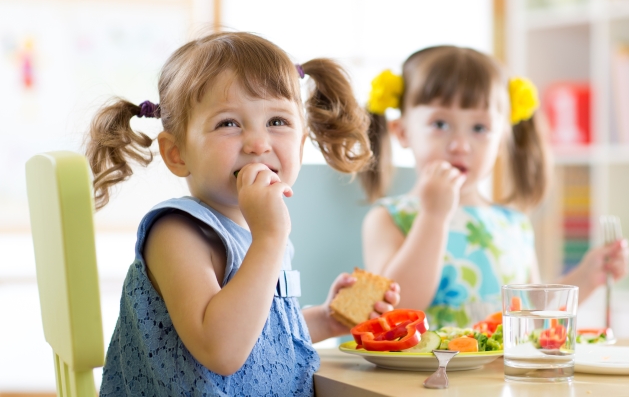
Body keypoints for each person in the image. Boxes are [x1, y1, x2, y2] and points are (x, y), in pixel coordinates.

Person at [86, 32, 400, 395]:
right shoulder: (176, 232)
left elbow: (262, 340)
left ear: (300, 142)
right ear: (177, 153)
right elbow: (222, 350)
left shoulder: (262, 232)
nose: (258, 143)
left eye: (278, 121)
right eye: (228, 123)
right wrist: (269, 238)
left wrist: (327, 319)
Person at [359, 45, 629, 330]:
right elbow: (394, 315)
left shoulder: (513, 224)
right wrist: (433, 217)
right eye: (439, 123)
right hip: (426, 375)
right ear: (403, 132)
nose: (460, 145)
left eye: (479, 128)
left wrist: (587, 277)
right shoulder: (389, 218)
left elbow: (531, 314)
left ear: (501, 139)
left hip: (499, 375)